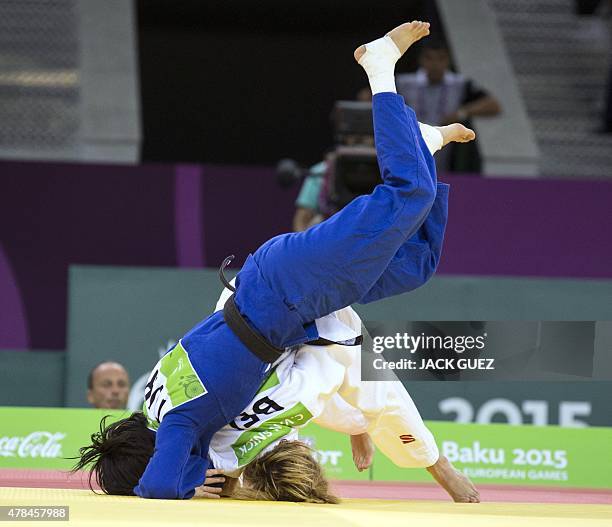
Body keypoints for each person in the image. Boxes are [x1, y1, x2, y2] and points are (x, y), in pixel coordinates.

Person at [74, 20, 476, 500]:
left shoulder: (178, 424)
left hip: (287, 288)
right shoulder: (159, 395)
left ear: (156, 453)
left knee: (408, 195)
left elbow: (158, 486)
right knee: (415, 265)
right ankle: (424, 145)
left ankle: (381, 67)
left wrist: (181, 486)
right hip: (274, 294)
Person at [394, 40, 501, 173]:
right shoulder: (404, 83)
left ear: (448, 61)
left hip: (447, 150)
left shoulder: (460, 84)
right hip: (411, 143)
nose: (435, 64)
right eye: (429, 58)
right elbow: (368, 97)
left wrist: (461, 113)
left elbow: (493, 105)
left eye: (440, 58)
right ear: (421, 60)